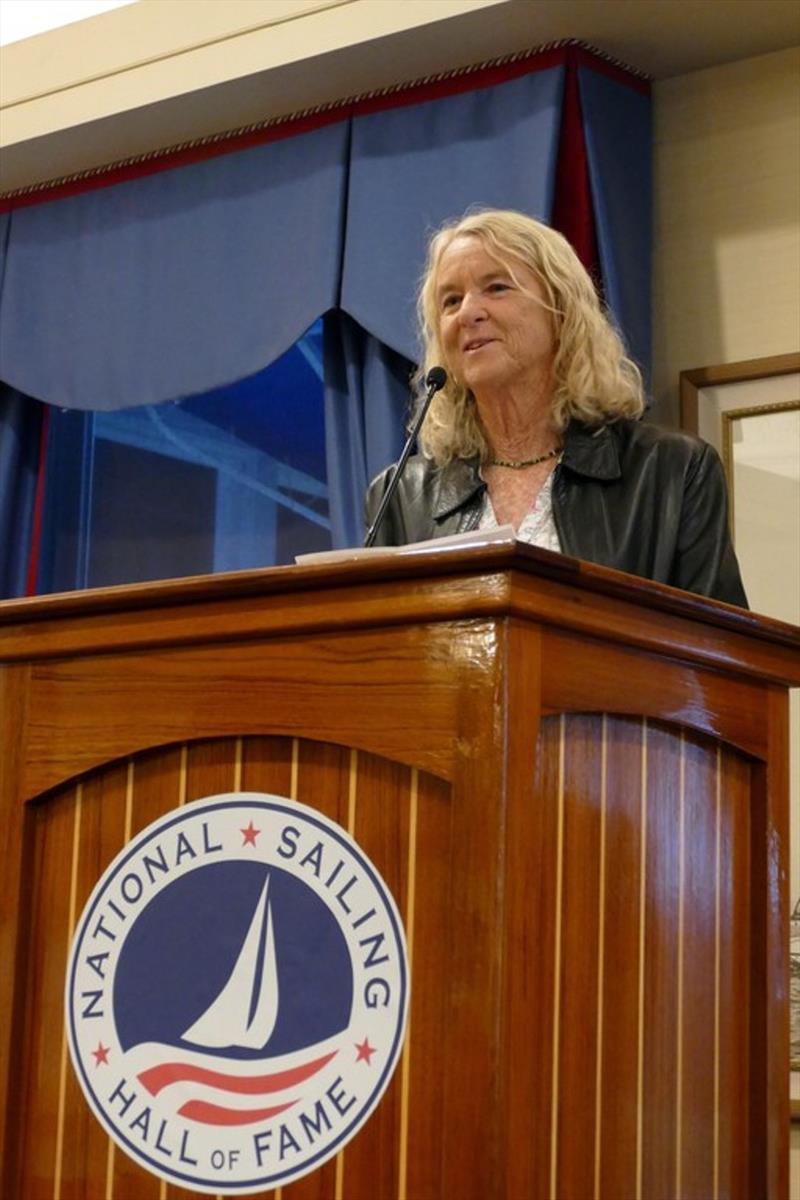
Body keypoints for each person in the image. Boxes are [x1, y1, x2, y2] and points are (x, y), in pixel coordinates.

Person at [364, 208, 747, 607]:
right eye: (451, 300)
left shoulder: (671, 470)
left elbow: (719, 653)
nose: (468, 313)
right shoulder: (399, 496)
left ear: (561, 311)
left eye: (496, 287)